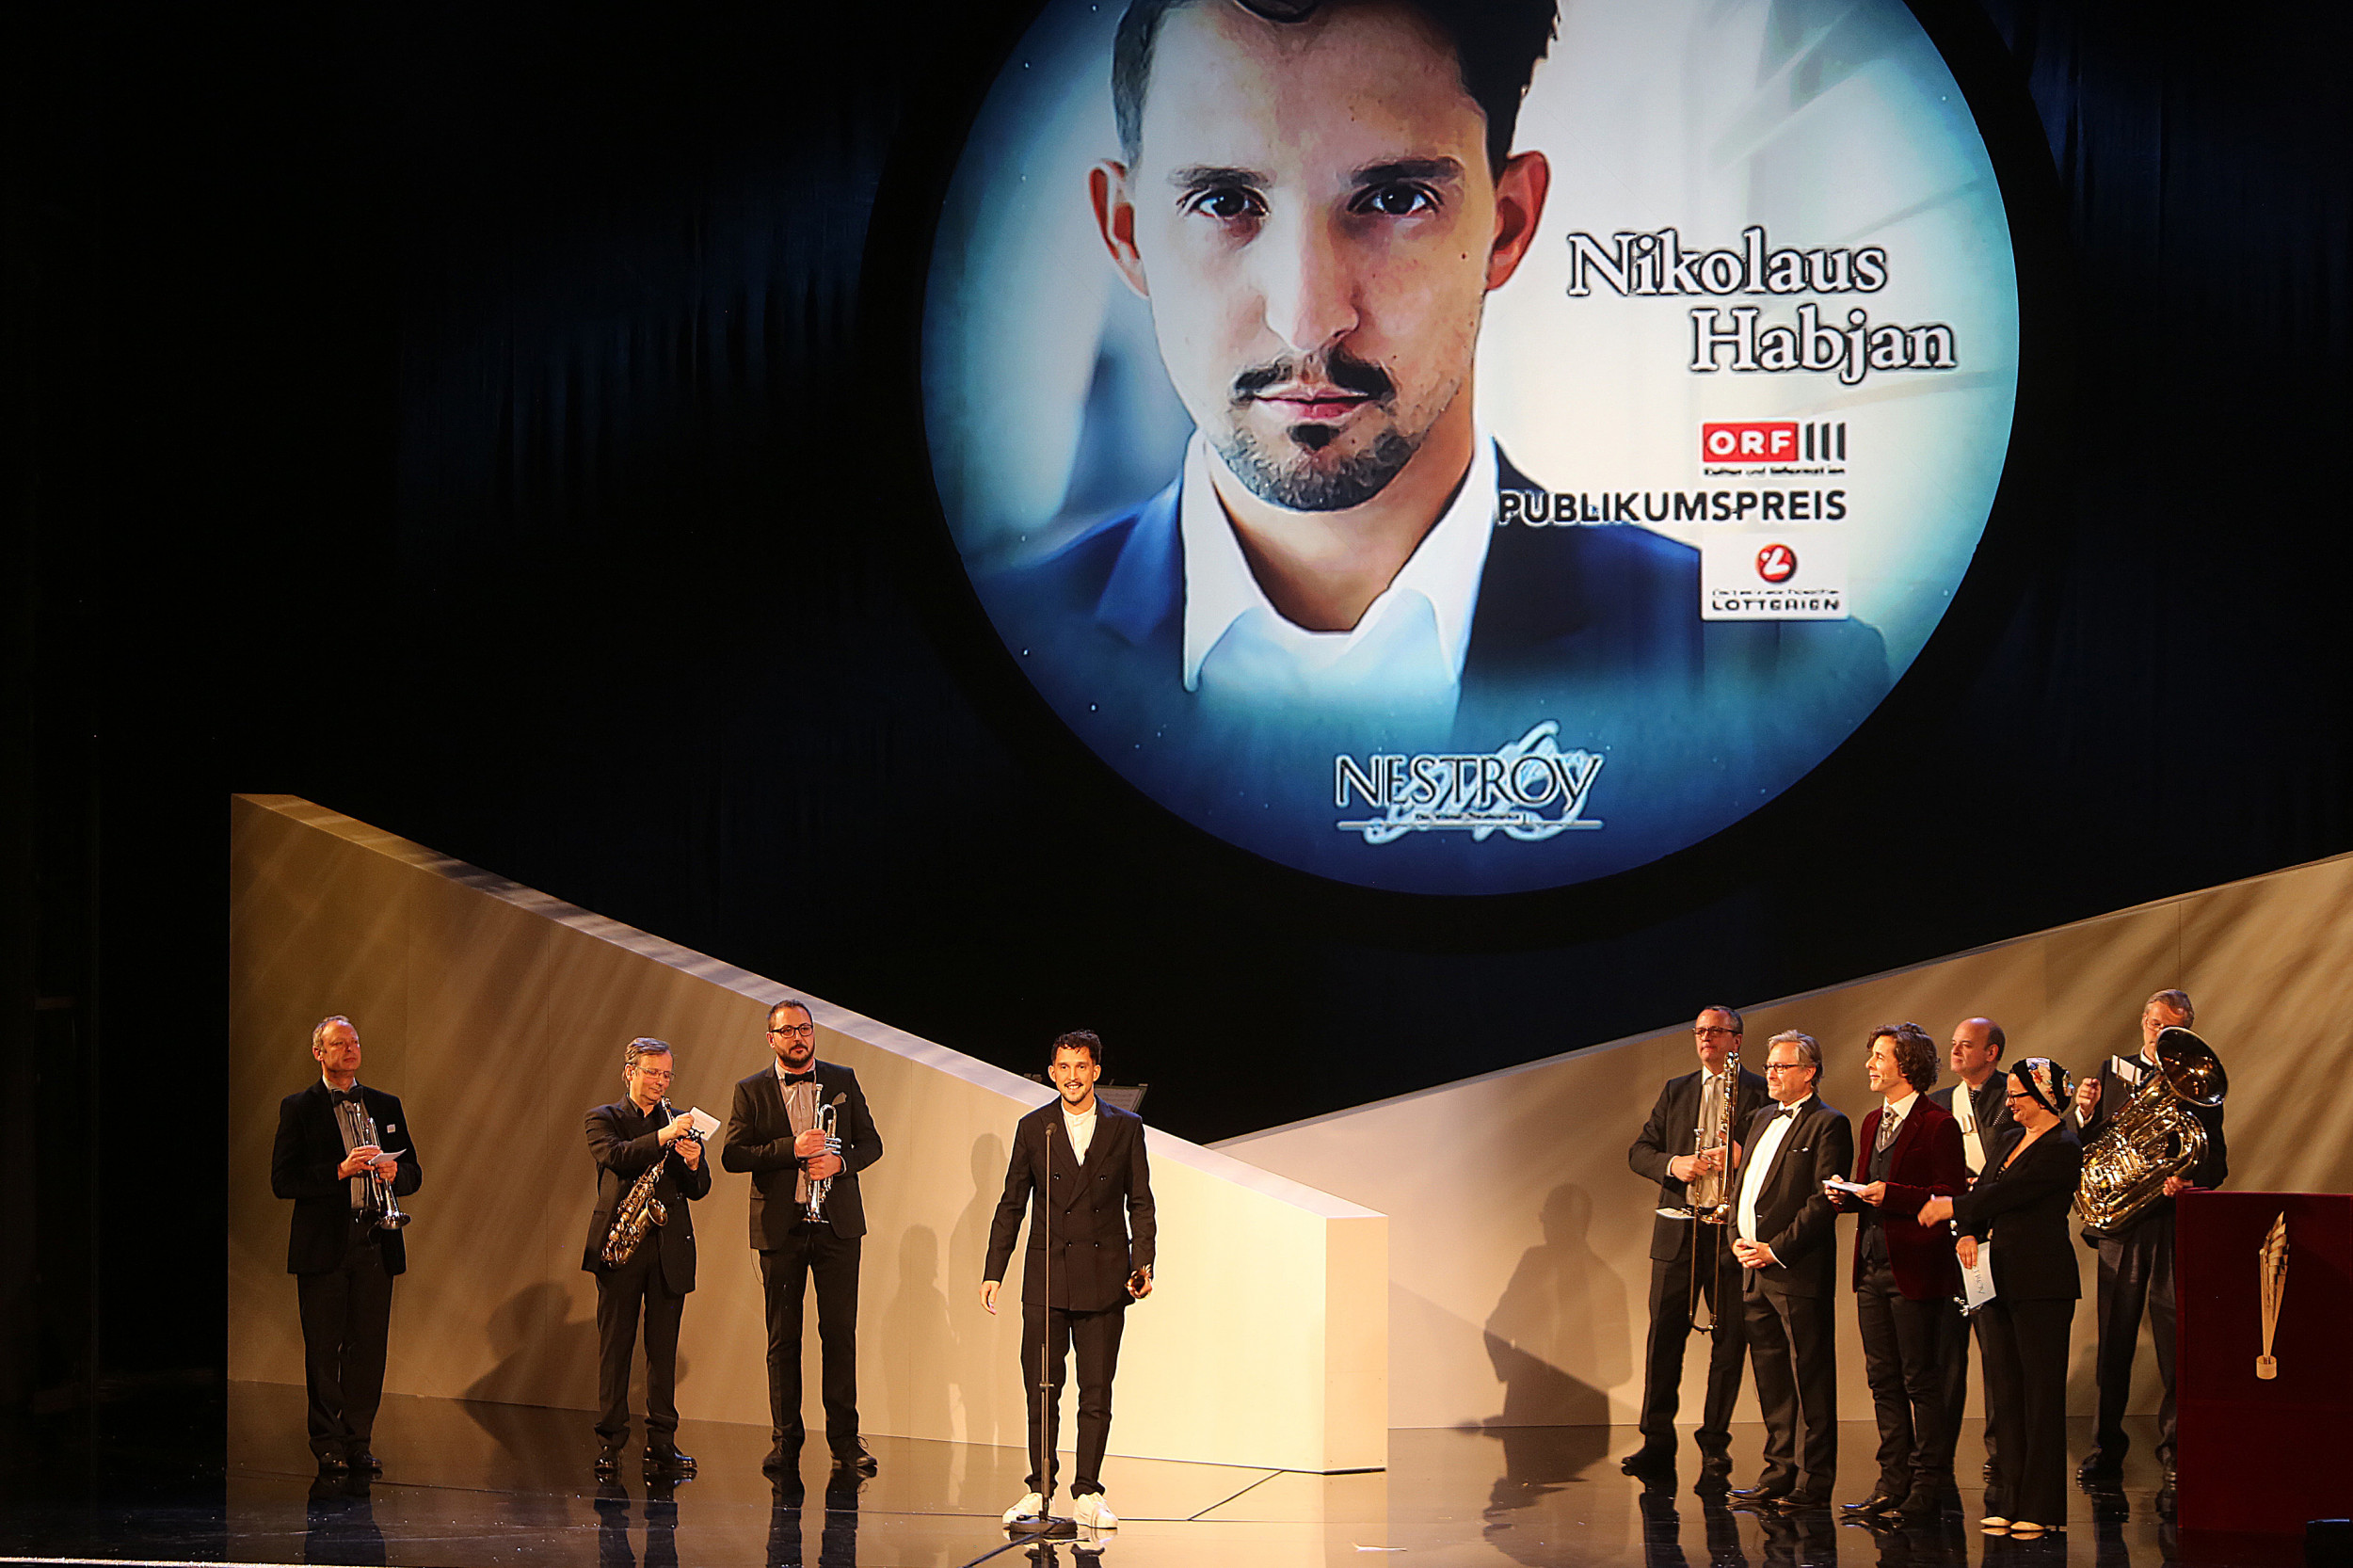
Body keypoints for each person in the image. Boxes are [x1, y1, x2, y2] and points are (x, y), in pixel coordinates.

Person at [978, 0, 1887, 879]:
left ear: (1508, 224)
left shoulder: (1779, 679)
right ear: (1127, 231)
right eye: (1224, 201)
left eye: (1395, 197)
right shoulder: (996, 661)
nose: (1307, 320)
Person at [983, 1031, 1157, 1531]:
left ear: (1096, 1071)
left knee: (1095, 1391)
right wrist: (994, 1270)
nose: (1072, 1076)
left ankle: (1088, 1492)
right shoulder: (1034, 1128)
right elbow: (1012, 1203)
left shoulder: (1126, 1127)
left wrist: (1143, 1264)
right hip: (1047, 1278)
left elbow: (1140, 1202)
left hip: (1105, 1277)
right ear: (1052, 1072)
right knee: (1041, 1388)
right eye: (1064, 1067)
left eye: (1082, 1067)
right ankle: (1038, 1488)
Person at [722, 1000, 886, 1477]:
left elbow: (872, 1143)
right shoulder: (750, 1089)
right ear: (770, 1038)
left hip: (837, 1226)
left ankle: (845, 1441)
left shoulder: (842, 1079)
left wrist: (840, 1162)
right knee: (782, 1339)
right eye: (788, 1030)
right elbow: (733, 1155)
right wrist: (790, 1148)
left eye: (805, 1029)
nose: (799, 1037)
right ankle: (785, 1442)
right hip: (782, 1227)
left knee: (839, 1336)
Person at [1920, 1059, 2083, 1538]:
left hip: (2041, 1283)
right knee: (2006, 1392)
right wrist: (1966, 1230)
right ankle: (2008, 1499)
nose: (2009, 1103)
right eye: (2009, 1094)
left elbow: (2010, 1194)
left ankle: (2041, 1506)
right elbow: (1986, 1185)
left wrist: (1954, 1208)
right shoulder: (2009, 1138)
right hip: (1996, 1279)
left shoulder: (2063, 1146)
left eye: (2018, 1095)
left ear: (2046, 1097)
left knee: (2040, 1395)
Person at [2072, 988, 2225, 1492]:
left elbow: (2218, 1163)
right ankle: (2105, 1451)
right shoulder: (2113, 1072)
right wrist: (2084, 1113)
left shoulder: (2198, 1083)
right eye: (2154, 1024)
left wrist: (2189, 1177)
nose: (2158, 1034)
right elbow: (2094, 1147)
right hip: (2121, 1227)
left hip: (2168, 1225)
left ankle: (2176, 1451)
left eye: (2170, 1028)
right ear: (2142, 1021)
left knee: (2173, 1346)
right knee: (2114, 1344)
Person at [269, 1015, 424, 1477]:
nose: (350, 1049)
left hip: (376, 1239)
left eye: (354, 1042)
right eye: (339, 1043)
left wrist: (396, 1172)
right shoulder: (299, 1107)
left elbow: (414, 1173)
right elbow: (283, 1181)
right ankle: (327, 1442)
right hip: (324, 1245)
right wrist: (340, 1171)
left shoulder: (385, 1104)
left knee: (368, 1349)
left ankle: (359, 1440)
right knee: (323, 1349)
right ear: (319, 1053)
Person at [1823, 1023, 1965, 1522]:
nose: (1869, 1064)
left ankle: (1928, 1485)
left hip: (1916, 1269)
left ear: (1906, 1065)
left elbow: (1951, 1195)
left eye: (1879, 1056)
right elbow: (1871, 1187)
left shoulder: (1938, 1124)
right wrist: (1847, 1196)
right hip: (1871, 1267)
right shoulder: (1871, 1122)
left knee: (1920, 1380)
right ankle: (1892, 1481)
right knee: (1882, 1379)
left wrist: (1894, 1196)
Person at [1623, 1006, 1769, 1478]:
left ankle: (1714, 1444)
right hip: (1679, 1232)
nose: (1706, 1038)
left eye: (1716, 1031)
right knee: (1664, 1340)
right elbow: (1639, 1152)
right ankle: (1656, 1442)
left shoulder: (1760, 1091)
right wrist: (1675, 1164)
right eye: (1700, 1031)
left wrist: (1743, 1155)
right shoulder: (1677, 1090)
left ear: (1736, 1040)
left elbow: (1775, 1161)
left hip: (1727, 1234)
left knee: (1729, 1341)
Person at [1727, 1031, 1853, 1512]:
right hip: (1752, 1269)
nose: (1771, 1074)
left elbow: (1823, 1201)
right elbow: (1744, 1187)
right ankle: (1778, 1472)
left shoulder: (1829, 1123)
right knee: (1772, 1377)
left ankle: (1814, 1481)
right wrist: (1736, 1238)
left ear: (1809, 1072)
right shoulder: (1761, 1117)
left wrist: (1775, 1250)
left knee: (1810, 1377)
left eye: (1781, 1066)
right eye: (1770, 1066)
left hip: (1795, 1270)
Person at [584, 1037, 711, 1480]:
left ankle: (662, 1442)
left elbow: (699, 1188)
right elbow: (616, 1156)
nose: (660, 1082)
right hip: (621, 1246)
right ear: (629, 1072)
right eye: (652, 1072)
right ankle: (610, 1443)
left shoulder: (680, 1121)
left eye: (666, 1075)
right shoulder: (603, 1118)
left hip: (668, 1248)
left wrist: (693, 1162)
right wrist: (664, 1137)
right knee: (615, 1349)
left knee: (663, 1351)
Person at [1927, 1016, 2015, 1484]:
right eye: (1954, 1043)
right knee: (1945, 1356)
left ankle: (2002, 1455)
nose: (1956, 1051)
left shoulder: (2013, 1096)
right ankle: (1937, 1457)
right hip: (1949, 1240)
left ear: (1991, 1052)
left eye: (1966, 1044)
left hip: (1996, 1237)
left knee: (1997, 1354)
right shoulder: (1941, 1102)